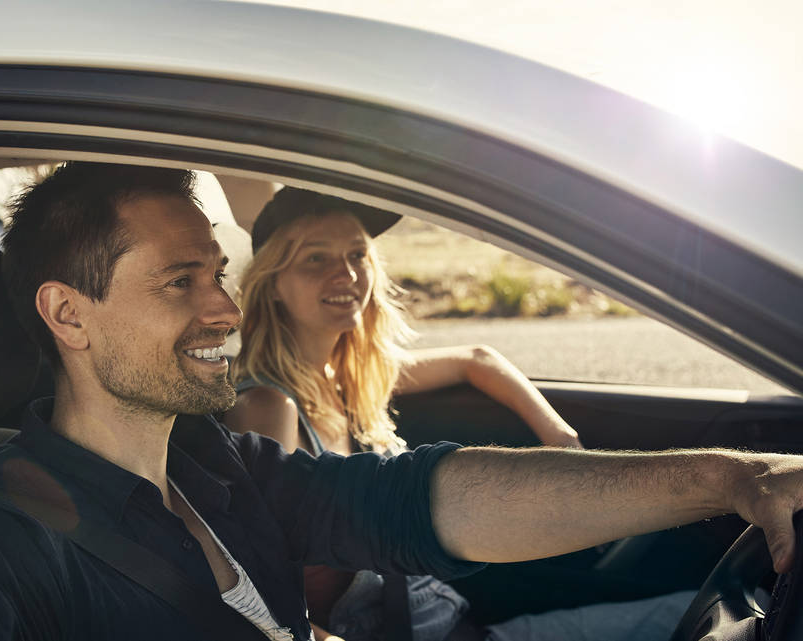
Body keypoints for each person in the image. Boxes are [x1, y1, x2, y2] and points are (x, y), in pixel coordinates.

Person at [0, 162, 803, 641]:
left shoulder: (217, 466)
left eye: (218, 273)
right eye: (181, 281)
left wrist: (735, 478)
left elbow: (415, 500)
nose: (226, 307)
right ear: (69, 315)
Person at [221, 188, 656, 640]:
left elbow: (477, 359)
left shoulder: (353, 376)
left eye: (357, 255)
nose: (346, 273)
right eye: (316, 259)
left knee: (681, 612)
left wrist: (563, 441)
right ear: (272, 283)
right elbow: (266, 594)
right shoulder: (269, 408)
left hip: (450, 619)